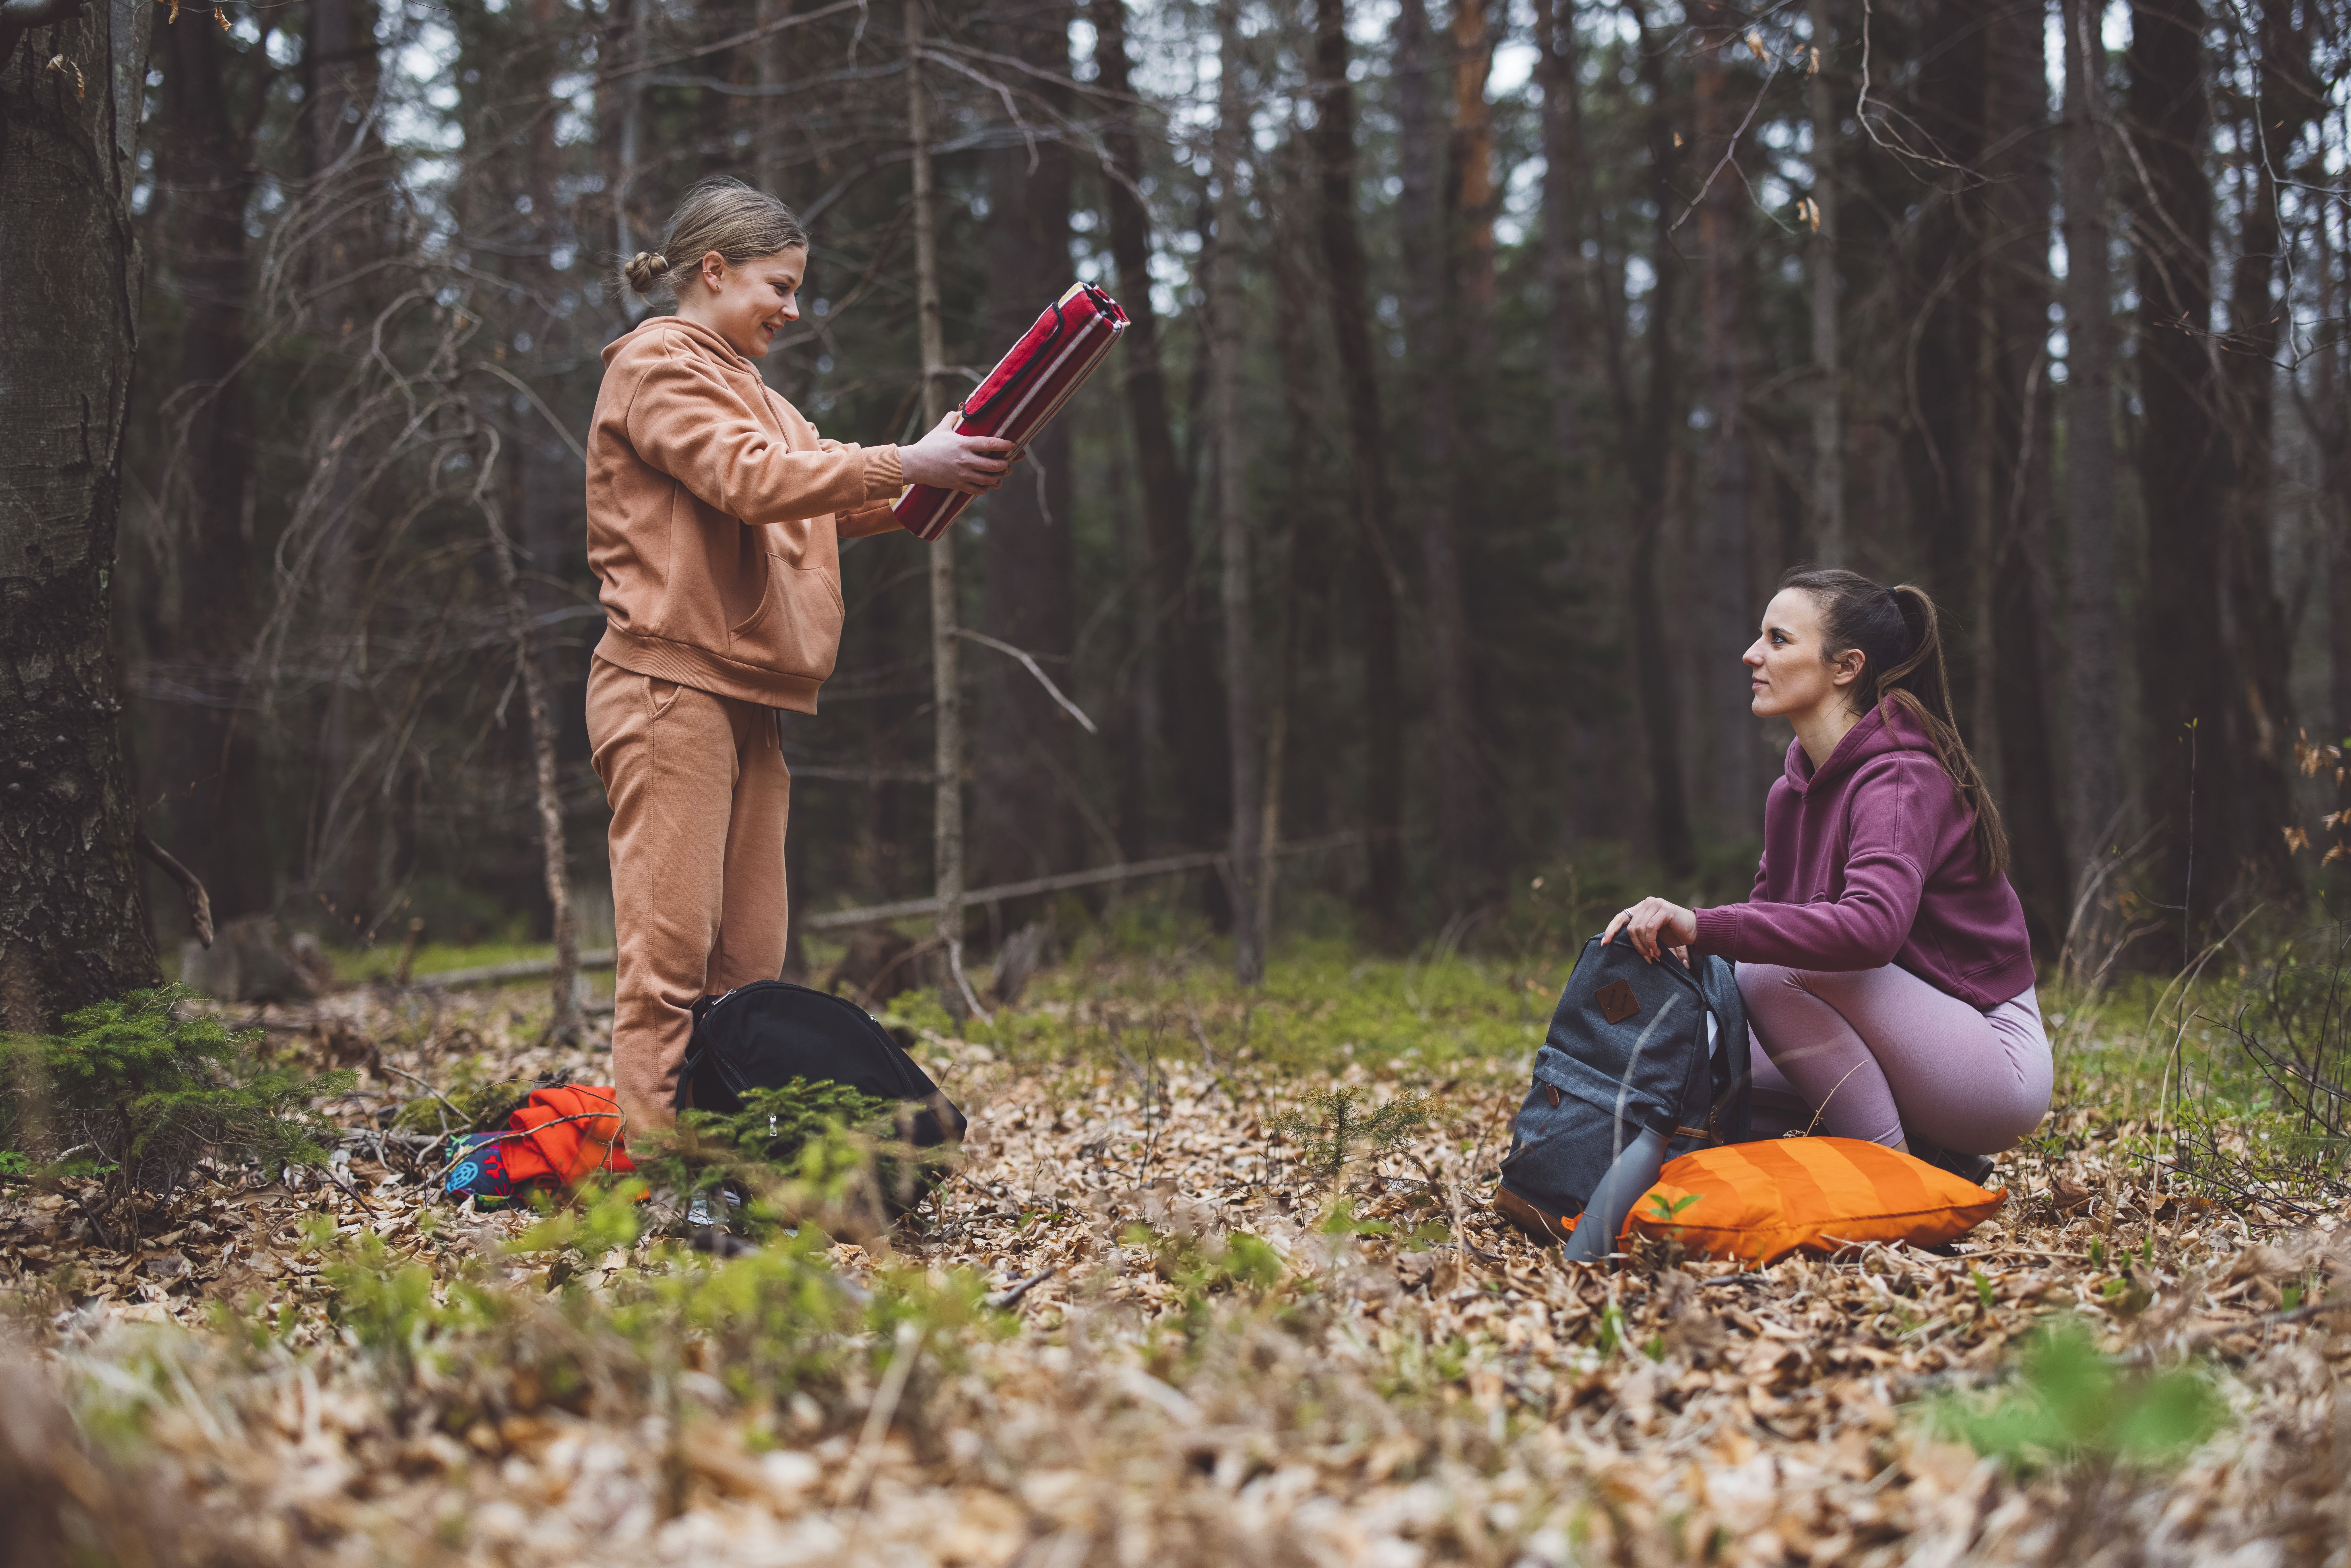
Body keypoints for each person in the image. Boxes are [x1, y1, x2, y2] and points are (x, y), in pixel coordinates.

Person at [585, 177, 1017, 1137]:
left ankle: (744, 1161)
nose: (791, 308)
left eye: (796, 288)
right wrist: (908, 461)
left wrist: (947, 468)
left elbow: (819, 493)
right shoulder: (658, 365)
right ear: (713, 272)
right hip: (668, 687)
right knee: (669, 961)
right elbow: (750, 480)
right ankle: (665, 1184)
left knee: (748, 967)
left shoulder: (758, 395)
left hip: (752, 696)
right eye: (778, 287)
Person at [1601, 568, 2051, 1181]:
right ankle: (1938, 1163)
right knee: (1701, 1058)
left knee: (1765, 974)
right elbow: (1766, 925)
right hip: (1898, 1039)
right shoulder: (1790, 794)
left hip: (1993, 1064)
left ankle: (1894, 1186)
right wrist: (1686, 949)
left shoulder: (1898, 777)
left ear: (1846, 667)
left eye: (1778, 639)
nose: (1751, 653)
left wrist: (1704, 925)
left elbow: (1869, 932)